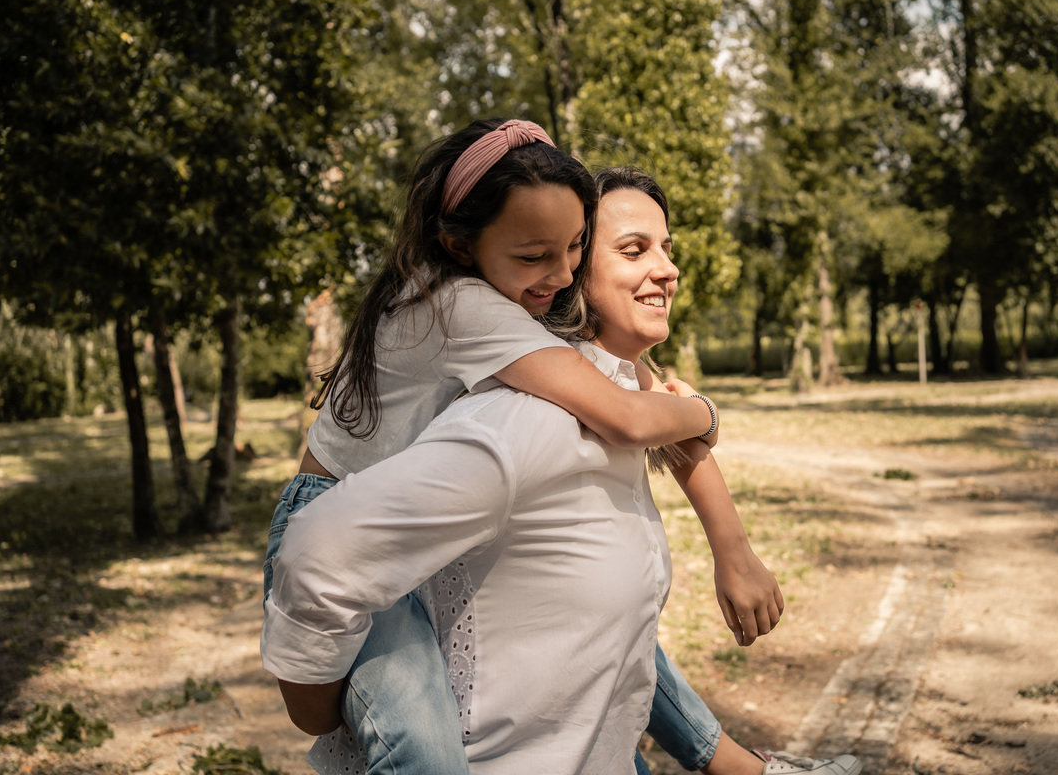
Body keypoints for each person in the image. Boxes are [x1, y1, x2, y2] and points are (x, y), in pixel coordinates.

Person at [262, 163, 859, 775]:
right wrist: (704, 413)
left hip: (575, 722)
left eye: (666, 246)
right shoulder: (516, 390)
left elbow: (647, 407)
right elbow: (631, 418)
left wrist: (733, 549)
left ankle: (740, 767)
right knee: (422, 744)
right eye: (633, 249)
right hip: (332, 507)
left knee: (624, 638)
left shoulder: (595, 374)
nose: (669, 268)